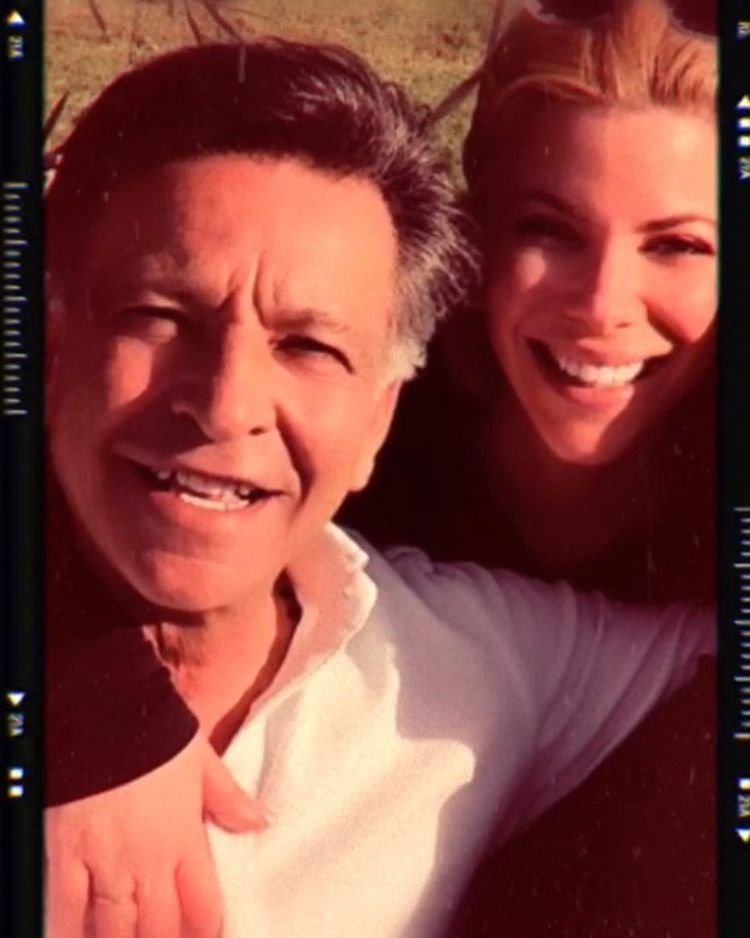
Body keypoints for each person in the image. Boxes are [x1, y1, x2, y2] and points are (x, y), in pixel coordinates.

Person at [44, 34, 712, 938]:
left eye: (310, 347)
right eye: (160, 316)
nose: (227, 404)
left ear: (379, 417)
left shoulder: (477, 659)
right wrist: (86, 696)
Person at [343, 2, 717, 935]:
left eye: (677, 245)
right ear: (474, 236)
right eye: (550, 230)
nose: (602, 304)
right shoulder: (373, 412)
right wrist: (113, 728)